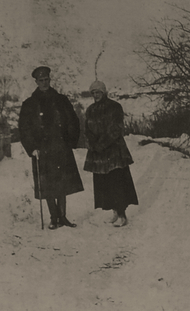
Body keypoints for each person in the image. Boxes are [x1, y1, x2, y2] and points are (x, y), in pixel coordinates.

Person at [18, 66, 84, 230]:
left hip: (60, 147)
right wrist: (32, 148)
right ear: (36, 82)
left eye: (46, 79)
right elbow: (23, 129)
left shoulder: (61, 100)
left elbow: (73, 121)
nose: (44, 83)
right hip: (42, 150)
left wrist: (70, 142)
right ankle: (53, 217)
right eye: (41, 80)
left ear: (50, 80)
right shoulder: (29, 104)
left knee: (62, 183)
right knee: (47, 184)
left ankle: (63, 216)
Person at [83, 80, 138, 227]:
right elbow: (87, 129)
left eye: (98, 92)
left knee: (117, 183)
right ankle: (114, 212)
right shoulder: (90, 110)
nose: (96, 95)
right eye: (93, 93)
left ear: (104, 92)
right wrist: (92, 142)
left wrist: (101, 144)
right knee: (105, 184)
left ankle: (122, 215)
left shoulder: (114, 107)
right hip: (98, 154)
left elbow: (115, 129)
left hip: (114, 152)